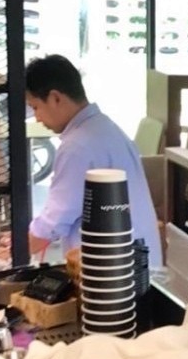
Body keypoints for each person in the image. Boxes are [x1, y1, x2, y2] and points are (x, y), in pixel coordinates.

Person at [25, 55, 162, 267]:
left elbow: (53, 223)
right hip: (137, 262)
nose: (37, 118)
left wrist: (11, 252)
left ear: (55, 98)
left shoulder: (77, 146)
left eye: (35, 107)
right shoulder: (107, 128)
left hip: (114, 269)